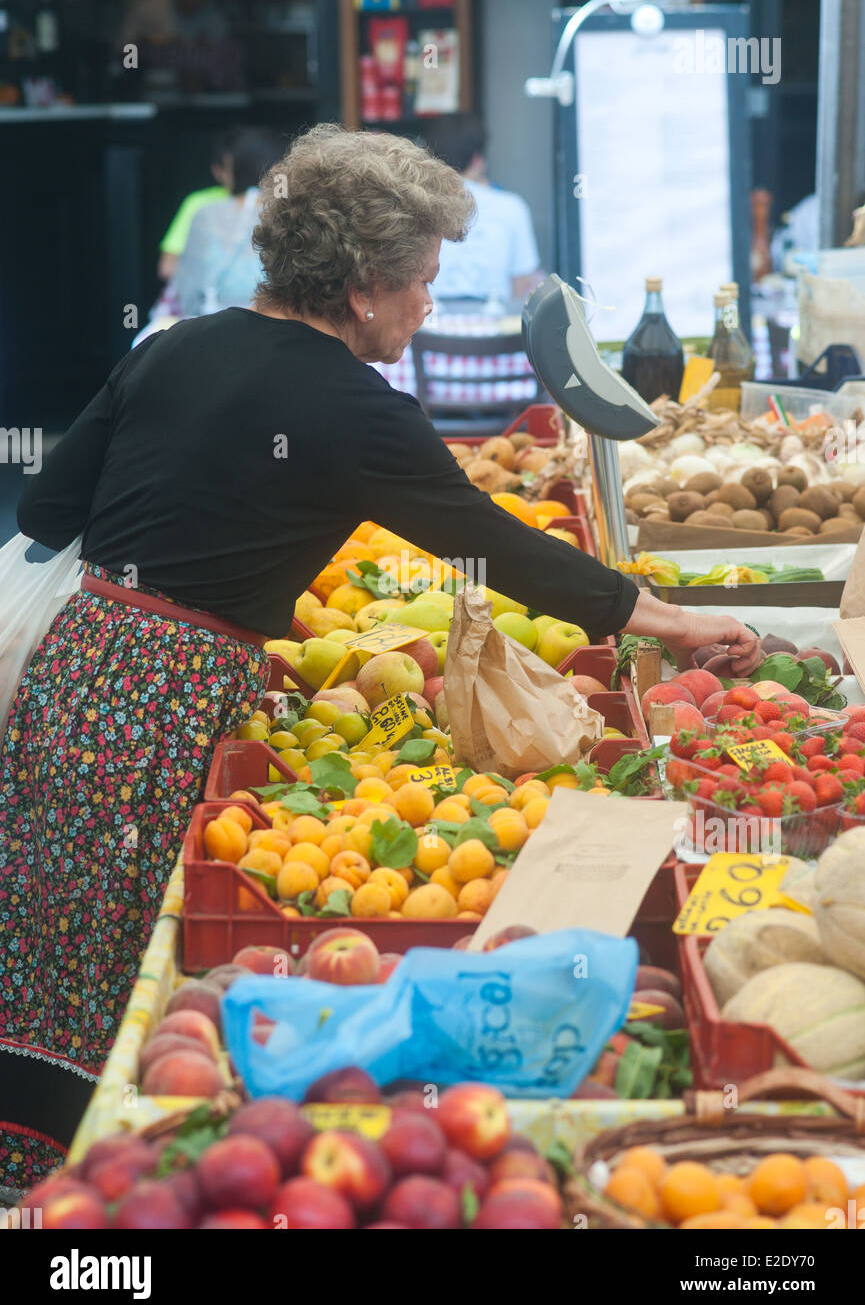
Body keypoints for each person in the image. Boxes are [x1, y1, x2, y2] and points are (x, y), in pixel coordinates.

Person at [1, 124, 760, 1192]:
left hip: (79, 670)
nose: (428, 307)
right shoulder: (355, 405)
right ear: (361, 286)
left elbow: (46, 505)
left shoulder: (170, 346)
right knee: (129, 942)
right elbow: (490, 546)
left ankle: (28, 1179)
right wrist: (667, 622)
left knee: (51, 926)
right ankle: (84, 1199)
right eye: (422, 284)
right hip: (168, 694)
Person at [422, 113, 545, 304]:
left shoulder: (419, 205)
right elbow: (523, 284)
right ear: (478, 159)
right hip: (495, 327)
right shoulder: (512, 207)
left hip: (430, 326)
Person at [173, 126, 285, 318]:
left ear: (236, 168)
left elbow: (188, 293)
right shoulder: (291, 213)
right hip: (277, 329)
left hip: (212, 329)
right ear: (277, 168)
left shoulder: (206, 214)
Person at [157, 130, 233, 283]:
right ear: (217, 171)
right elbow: (168, 267)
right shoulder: (199, 203)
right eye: (237, 168)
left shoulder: (273, 201)